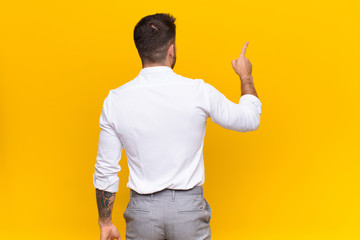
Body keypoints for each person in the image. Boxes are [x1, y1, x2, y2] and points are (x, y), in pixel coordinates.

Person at [93, 13, 262, 240]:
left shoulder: (115, 100)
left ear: (140, 49)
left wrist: (105, 222)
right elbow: (250, 119)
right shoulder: (198, 91)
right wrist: (245, 75)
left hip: (142, 212)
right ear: (171, 49)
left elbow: (106, 169)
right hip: (188, 210)